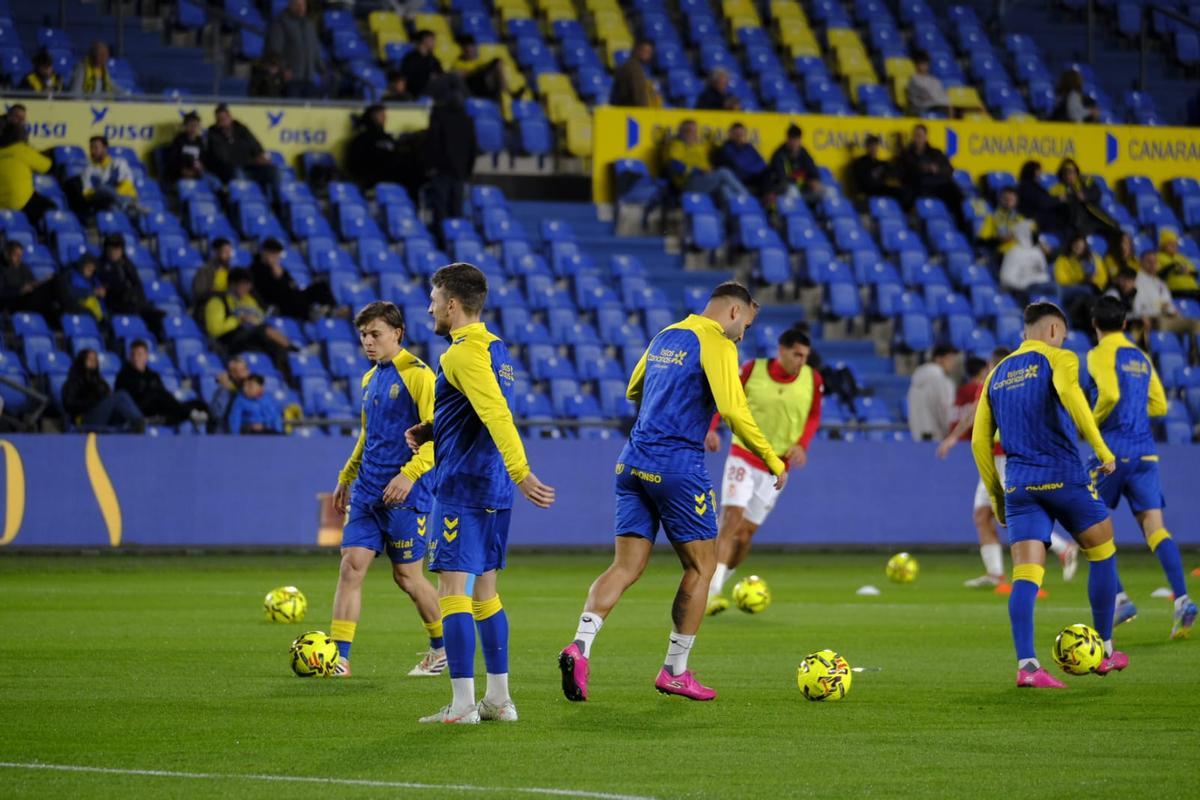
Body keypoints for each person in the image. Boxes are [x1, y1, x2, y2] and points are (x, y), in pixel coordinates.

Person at [558, 281, 786, 703]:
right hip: (678, 465)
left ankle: (580, 645)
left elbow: (633, 389)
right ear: (736, 312)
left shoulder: (666, 335)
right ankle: (675, 671)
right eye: (747, 325)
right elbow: (734, 410)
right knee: (702, 567)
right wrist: (773, 459)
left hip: (631, 460)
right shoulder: (717, 342)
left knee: (625, 566)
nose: (743, 334)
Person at [404, 262, 556, 724]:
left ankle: (463, 705)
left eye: (433, 298)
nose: (428, 307)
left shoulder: (460, 354)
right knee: (486, 593)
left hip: (463, 488)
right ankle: (498, 700)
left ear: (452, 304)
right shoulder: (497, 350)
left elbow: (495, 416)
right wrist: (435, 429)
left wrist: (523, 471)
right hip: (491, 490)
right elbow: (480, 410)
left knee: (452, 592)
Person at [971, 301, 1124, 689]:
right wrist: (1103, 451)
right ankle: (1104, 649)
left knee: (1026, 574)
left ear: (1026, 332)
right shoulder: (1060, 358)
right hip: (1064, 477)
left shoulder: (997, 374)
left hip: (1020, 485)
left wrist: (997, 498)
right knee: (1102, 549)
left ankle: (1027, 666)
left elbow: (978, 442)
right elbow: (1072, 398)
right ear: (1054, 331)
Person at [328, 301, 445, 679]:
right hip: (367, 492)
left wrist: (409, 475)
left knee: (407, 578)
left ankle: (442, 649)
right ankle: (339, 658)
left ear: (398, 333)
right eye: (363, 335)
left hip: (406, 496)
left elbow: (437, 438)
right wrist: (347, 475)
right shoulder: (369, 378)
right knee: (351, 566)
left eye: (375, 334)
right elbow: (369, 435)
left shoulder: (419, 376)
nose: (368, 341)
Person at [1087, 296, 1196, 639]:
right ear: (1123, 324)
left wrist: (1088, 423)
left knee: (1086, 524)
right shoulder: (1140, 356)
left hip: (1112, 453)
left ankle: (1119, 598)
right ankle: (1182, 600)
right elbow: (1161, 405)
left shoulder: (1098, 353)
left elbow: (1107, 396)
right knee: (1156, 529)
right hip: (1146, 452)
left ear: (1095, 325)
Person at [703, 326, 822, 615]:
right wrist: (711, 428)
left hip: (777, 466)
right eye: (796, 354)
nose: (801, 361)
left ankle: (718, 582)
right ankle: (709, 594)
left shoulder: (812, 379)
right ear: (781, 350)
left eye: (804, 356)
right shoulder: (752, 370)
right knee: (730, 519)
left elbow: (813, 415)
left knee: (744, 536)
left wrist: (802, 445)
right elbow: (727, 399)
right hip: (743, 454)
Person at [937, 347, 1079, 588]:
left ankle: (1064, 548)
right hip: (996, 458)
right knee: (982, 515)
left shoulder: (1006, 383)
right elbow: (974, 414)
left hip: (1008, 458)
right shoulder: (1002, 383)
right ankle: (995, 574)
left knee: (1014, 516)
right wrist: (953, 437)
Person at [204, 267, 294, 381]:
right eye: (244, 284)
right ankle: (292, 347)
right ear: (233, 284)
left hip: (249, 340)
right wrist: (238, 320)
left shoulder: (249, 300)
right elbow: (214, 329)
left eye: (249, 284)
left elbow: (260, 318)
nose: (248, 288)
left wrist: (254, 321)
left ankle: (286, 382)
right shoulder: (217, 301)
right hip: (229, 341)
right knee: (262, 329)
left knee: (276, 348)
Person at [425, 77, 476, 246]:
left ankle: (442, 243)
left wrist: (431, 165)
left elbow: (433, 142)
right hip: (459, 172)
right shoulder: (467, 120)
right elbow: (472, 149)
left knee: (441, 209)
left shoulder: (438, 116)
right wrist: (467, 171)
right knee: (456, 210)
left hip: (442, 170)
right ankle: (454, 244)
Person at [116, 339, 209, 428]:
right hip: (139, 410)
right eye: (133, 355)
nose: (136, 358)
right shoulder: (124, 375)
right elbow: (123, 399)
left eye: (139, 354)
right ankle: (189, 414)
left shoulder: (153, 375)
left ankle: (165, 419)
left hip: (158, 408)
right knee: (158, 394)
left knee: (197, 403)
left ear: (146, 356)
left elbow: (164, 395)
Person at [896, 124, 966, 229]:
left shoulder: (936, 153)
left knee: (953, 191)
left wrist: (936, 169)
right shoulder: (907, 155)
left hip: (937, 186)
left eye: (920, 135)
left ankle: (961, 227)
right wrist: (922, 169)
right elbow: (904, 173)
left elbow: (949, 169)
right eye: (916, 135)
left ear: (926, 137)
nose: (918, 139)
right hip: (918, 186)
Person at [98, 234, 165, 340]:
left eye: (117, 249)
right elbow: (108, 287)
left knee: (158, 315)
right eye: (111, 249)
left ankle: (155, 342)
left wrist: (139, 300)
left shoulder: (127, 264)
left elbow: (137, 284)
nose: (114, 253)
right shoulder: (102, 266)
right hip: (116, 303)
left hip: (132, 302)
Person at [250, 237, 336, 320]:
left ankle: (333, 310)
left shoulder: (279, 268)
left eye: (277, 256)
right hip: (279, 302)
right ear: (265, 253)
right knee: (292, 298)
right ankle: (312, 313)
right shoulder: (256, 269)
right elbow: (273, 291)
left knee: (321, 286)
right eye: (274, 255)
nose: (276, 258)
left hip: (291, 294)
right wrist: (278, 276)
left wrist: (281, 275)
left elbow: (291, 283)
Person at [62, 348, 145, 432]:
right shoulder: (73, 382)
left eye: (95, 359)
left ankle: (139, 424)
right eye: (89, 358)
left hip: (103, 417)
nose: (93, 361)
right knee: (121, 396)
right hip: (84, 418)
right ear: (82, 360)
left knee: (121, 408)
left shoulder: (100, 382)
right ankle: (139, 421)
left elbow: (106, 396)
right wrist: (93, 400)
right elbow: (69, 404)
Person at [666, 119, 748, 199]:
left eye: (695, 131)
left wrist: (736, 141)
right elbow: (674, 165)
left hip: (705, 178)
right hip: (689, 181)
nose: (694, 134)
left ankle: (738, 210)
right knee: (723, 172)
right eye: (690, 131)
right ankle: (748, 198)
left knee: (724, 188)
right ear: (682, 132)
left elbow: (720, 151)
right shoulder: (676, 145)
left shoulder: (700, 145)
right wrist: (698, 170)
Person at [205, 105, 278, 194]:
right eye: (219, 119)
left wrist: (262, 156)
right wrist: (252, 161)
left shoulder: (241, 128)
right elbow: (223, 159)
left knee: (272, 171)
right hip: (229, 170)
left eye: (224, 118)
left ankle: (275, 204)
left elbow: (256, 146)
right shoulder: (213, 134)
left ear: (230, 117)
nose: (223, 121)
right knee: (238, 173)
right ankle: (244, 203)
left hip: (251, 166)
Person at [1133, 251, 1200, 346]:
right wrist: (1144, 315)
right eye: (1149, 261)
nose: (1152, 264)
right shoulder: (1136, 281)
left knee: (1196, 325)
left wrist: (1173, 311)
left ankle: (1192, 356)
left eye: (1154, 261)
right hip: (1150, 318)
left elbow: (1168, 304)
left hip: (1164, 317)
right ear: (1141, 262)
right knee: (1163, 323)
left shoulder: (1160, 283)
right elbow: (1137, 305)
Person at [0, 116, 55, 229]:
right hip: (20, 203)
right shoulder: (22, 150)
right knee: (50, 207)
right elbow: (47, 166)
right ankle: (41, 236)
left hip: (1, 204)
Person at [266, 0, 325, 98]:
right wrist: (284, 69)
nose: (301, 8)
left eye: (303, 5)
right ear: (291, 6)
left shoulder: (309, 25)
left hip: (309, 78)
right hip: (291, 78)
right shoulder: (281, 23)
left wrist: (322, 69)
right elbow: (275, 50)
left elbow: (315, 50)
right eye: (297, 5)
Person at [1050, 157, 1117, 240]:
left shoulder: (1085, 180)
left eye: (1072, 172)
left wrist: (1085, 195)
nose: (1069, 176)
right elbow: (1051, 202)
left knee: (1116, 231)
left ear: (1076, 173)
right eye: (1066, 173)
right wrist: (1062, 199)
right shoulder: (1057, 188)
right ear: (1062, 175)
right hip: (1074, 222)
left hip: (1093, 217)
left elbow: (1096, 192)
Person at [1054, 232, 1108, 330]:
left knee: (1092, 298)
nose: (1077, 246)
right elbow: (1061, 280)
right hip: (1071, 293)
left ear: (1084, 244)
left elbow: (1102, 279)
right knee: (1084, 295)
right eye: (1074, 244)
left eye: (1080, 243)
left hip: (1091, 292)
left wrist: (1093, 280)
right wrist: (1081, 279)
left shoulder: (1094, 258)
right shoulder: (1063, 259)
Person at [906, 344, 959, 441]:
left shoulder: (915, 382)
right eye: (949, 359)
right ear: (938, 359)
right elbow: (945, 411)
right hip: (938, 439)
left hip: (918, 438)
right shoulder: (943, 382)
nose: (952, 363)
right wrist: (951, 435)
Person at [346, 104, 407, 188]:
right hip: (372, 179)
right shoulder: (360, 140)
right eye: (380, 115)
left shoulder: (388, 137)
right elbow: (356, 165)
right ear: (371, 116)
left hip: (393, 177)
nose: (384, 118)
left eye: (384, 115)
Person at [1000, 219, 1057, 304]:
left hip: (1035, 284)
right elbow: (1007, 278)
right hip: (1022, 288)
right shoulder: (1014, 251)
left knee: (1054, 288)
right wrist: (1024, 284)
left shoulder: (1036, 251)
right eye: (1031, 233)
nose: (1034, 235)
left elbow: (1043, 272)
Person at [80, 136, 138, 214]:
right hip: (102, 200)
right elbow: (87, 192)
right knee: (102, 188)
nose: (92, 151)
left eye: (96, 148)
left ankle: (124, 204)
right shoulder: (88, 170)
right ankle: (127, 205)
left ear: (105, 148)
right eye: (91, 148)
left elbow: (128, 183)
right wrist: (101, 192)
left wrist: (113, 194)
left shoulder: (119, 163)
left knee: (113, 207)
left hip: (124, 197)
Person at [0, 240, 56, 318]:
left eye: (21, 256)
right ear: (7, 254)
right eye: (16, 255)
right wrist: (20, 290)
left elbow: (32, 282)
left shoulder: (23, 267)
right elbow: (2, 293)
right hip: (10, 304)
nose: (19, 259)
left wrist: (40, 282)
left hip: (26, 300)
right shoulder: (2, 269)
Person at [711, 123, 768, 195]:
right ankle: (747, 199)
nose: (739, 136)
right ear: (730, 134)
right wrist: (752, 168)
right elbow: (738, 165)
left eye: (741, 133)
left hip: (753, 177)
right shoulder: (725, 149)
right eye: (736, 133)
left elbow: (762, 163)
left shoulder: (749, 147)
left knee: (769, 174)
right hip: (738, 179)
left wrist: (752, 169)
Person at [454, 35, 514, 103]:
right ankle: (506, 94)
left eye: (470, 48)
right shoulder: (458, 63)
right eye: (465, 49)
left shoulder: (483, 57)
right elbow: (461, 76)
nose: (469, 51)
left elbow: (493, 63)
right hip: (474, 87)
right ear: (462, 49)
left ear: (475, 47)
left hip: (488, 85)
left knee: (497, 64)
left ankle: (505, 94)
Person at [768, 124, 822, 199]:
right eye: (793, 139)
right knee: (792, 191)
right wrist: (798, 180)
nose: (795, 143)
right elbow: (781, 178)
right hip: (784, 188)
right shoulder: (779, 155)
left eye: (797, 139)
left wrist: (813, 181)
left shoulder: (803, 153)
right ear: (788, 139)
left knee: (825, 191)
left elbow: (813, 171)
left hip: (802, 186)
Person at [1017, 160, 1067, 236]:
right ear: (1032, 172)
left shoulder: (1034, 186)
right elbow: (1042, 202)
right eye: (1038, 171)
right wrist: (1059, 199)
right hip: (1037, 221)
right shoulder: (1026, 187)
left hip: (1043, 219)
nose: (1040, 173)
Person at [609, 39, 659, 107]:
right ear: (636, 50)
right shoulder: (634, 68)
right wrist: (646, 114)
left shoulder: (631, 65)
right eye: (644, 51)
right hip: (629, 112)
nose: (647, 55)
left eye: (649, 52)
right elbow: (639, 96)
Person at [978, 186, 1026, 254]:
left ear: (1016, 201)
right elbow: (981, 242)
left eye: (1011, 199)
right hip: (1002, 253)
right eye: (1005, 199)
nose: (1008, 202)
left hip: (1021, 253)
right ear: (1000, 200)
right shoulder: (992, 218)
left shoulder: (1021, 219)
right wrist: (1000, 240)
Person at [848, 134, 895, 203]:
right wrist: (859, 193)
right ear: (867, 147)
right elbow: (858, 183)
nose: (873, 148)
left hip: (881, 190)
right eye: (871, 146)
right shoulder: (859, 163)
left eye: (875, 146)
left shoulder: (882, 164)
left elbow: (891, 176)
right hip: (868, 192)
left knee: (898, 191)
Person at [59, 254, 106, 322]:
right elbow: (70, 292)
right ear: (82, 265)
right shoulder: (71, 275)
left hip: (96, 315)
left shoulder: (94, 280)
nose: (90, 271)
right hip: (79, 311)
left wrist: (101, 293)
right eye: (88, 267)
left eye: (92, 269)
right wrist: (92, 292)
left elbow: (101, 300)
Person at [400, 30, 444, 99]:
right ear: (424, 40)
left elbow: (441, 74)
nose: (434, 43)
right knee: (454, 77)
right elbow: (408, 77)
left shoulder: (433, 59)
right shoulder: (410, 58)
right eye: (432, 40)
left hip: (434, 88)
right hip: (418, 89)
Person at [1156, 228, 1199, 299]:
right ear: (1163, 245)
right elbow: (1159, 276)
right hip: (1176, 290)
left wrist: (1188, 271)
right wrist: (1173, 266)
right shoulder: (1158, 257)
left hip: (1193, 289)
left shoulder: (1181, 257)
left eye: (1175, 243)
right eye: (1170, 244)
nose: (1174, 246)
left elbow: (1195, 273)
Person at [209, 355, 249, 429]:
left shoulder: (255, 387)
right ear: (229, 375)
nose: (240, 375)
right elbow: (218, 414)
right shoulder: (223, 391)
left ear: (248, 371)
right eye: (234, 372)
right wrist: (226, 388)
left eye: (242, 370)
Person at [167, 111, 208, 182]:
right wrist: (183, 171)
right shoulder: (178, 140)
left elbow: (204, 158)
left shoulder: (200, 141)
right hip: (181, 174)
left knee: (212, 179)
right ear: (185, 126)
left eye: (196, 125)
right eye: (190, 125)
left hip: (197, 172)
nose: (193, 128)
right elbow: (172, 161)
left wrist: (202, 166)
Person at [905, 50, 950, 116]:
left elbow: (942, 95)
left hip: (936, 105)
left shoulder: (934, 80)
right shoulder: (914, 80)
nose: (925, 66)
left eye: (926, 64)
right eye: (922, 64)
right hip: (921, 106)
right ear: (916, 65)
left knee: (949, 106)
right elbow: (922, 96)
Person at [193, 237, 234, 307]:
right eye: (225, 252)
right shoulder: (205, 270)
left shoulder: (231, 270)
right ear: (216, 252)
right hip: (211, 305)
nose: (229, 255)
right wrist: (223, 294)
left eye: (229, 252)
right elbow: (201, 293)